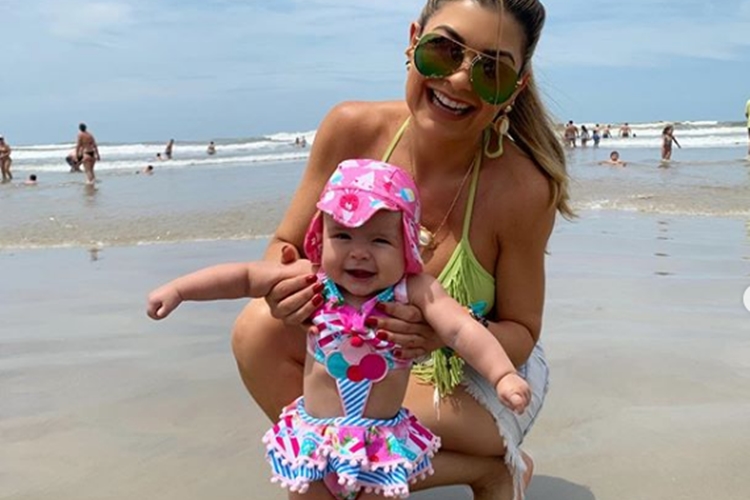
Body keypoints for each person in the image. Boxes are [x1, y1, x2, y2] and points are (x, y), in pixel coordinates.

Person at [230, 1, 572, 499]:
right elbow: (285, 246)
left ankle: (487, 470)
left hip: (480, 377)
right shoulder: (353, 129)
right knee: (257, 330)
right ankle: (334, 480)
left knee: (368, 432)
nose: (459, 79)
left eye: (491, 72)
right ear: (413, 42)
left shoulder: (522, 188)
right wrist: (287, 290)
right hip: (375, 362)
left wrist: (441, 334)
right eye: (444, 51)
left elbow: (521, 332)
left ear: (514, 89)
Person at [148, 160, 531, 499]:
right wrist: (180, 290)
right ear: (321, 237)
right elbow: (245, 277)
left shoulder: (414, 291)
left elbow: (460, 329)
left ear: (406, 246)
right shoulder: (314, 279)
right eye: (343, 236)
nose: (358, 252)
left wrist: (502, 374)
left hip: (379, 443)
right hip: (315, 438)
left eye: (379, 240)